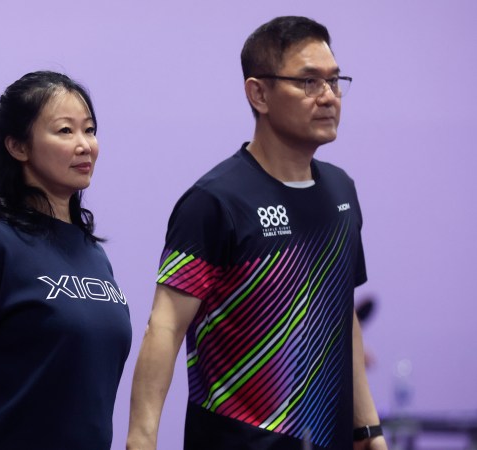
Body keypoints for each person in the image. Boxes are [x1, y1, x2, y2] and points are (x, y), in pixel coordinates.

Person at [127, 16, 387, 450]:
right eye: (308, 82)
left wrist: (368, 431)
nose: (328, 96)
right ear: (259, 93)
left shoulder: (342, 191)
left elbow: (345, 319)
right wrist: (141, 440)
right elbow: (165, 327)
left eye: (335, 80)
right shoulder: (215, 201)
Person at [0, 71, 132, 450]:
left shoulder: (94, 254)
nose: (85, 145)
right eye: (65, 131)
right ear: (18, 146)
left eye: (90, 129)